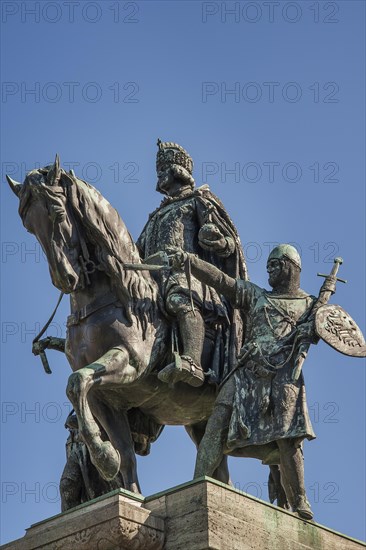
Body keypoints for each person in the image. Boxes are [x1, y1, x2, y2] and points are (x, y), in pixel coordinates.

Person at [171, 244, 320, 519]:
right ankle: (197, 484)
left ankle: (300, 501)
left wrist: (311, 330)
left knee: (288, 441)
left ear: (290, 266)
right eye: (268, 267)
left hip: (284, 378)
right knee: (214, 427)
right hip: (246, 374)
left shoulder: (311, 305)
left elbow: (327, 329)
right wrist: (192, 262)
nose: (270, 271)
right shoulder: (255, 295)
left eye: (275, 266)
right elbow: (222, 281)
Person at [137, 140, 247, 387]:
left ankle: (192, 362)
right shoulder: (155, 216)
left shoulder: (199, 200)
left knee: (179, 298)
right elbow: (137, 250)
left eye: (163, 170)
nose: (159, 177)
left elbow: (230, 243)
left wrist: (218, 241)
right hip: (153, 275)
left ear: (177, 171)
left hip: (188, 273)